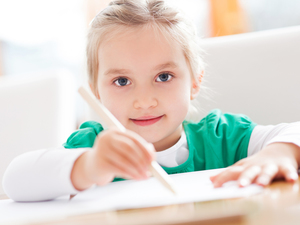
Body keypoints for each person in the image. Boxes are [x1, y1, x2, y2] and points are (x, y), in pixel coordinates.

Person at [3, 0, 300, 202]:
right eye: (122, 81)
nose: (144, 101)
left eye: (164, 77)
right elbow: (15, 180)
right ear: (97, 93)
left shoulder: (223, 138)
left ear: (195, 81)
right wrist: (89, 166)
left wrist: (281, 152)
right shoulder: (94, 148)